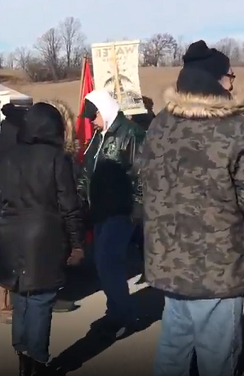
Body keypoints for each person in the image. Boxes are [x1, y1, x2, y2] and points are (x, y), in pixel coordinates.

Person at [137, 40, 244, 375]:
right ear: (214, 81)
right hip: (217, 266)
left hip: (169, 261)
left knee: (173, 349)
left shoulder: (159, 126)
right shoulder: (236, 129)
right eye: (230, 76)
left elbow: (146, 185)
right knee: (217, 357)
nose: (234, 83)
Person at [0, 102, 84, 376]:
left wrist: (0, 230)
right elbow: (69, 204)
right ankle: (38, 360)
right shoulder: (55, 157)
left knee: (21, 297)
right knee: (41, 300)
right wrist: (77, 243)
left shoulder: (7, 156)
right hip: (44, 234)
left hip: (10, 232)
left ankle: (23, 359)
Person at [78, 88, 146, 337]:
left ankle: (124, 316)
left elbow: (142, 174)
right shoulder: (99, 136)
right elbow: (87, 171)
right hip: (100, 211)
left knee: (109, 262)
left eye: (93, 117)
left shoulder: (132, 134)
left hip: (122, 210)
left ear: (103, 111)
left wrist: (137, 210)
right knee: (102, 263)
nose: (91, 123)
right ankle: (115, 310)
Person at [0, 103, 27, 324]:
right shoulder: (15, 143)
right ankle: (6, 306)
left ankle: (4, 304)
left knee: (5, 254)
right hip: (11, 205)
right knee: (12, 255)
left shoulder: (0, 141)